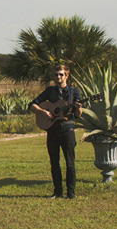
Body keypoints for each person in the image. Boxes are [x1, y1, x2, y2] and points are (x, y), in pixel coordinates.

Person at [29, 64, 82, 199]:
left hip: (67, 129)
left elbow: (77, 114)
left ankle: (71, 193)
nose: (58, 77)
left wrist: (78, 108)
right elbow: (32, 105)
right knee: (54, 162)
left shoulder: (73, 92)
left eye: (61, 74)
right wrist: (43, 111)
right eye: (56, 75)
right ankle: (57, 191)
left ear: (66, 76)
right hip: (52, 131)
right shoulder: (50, 91)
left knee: (70, 163)